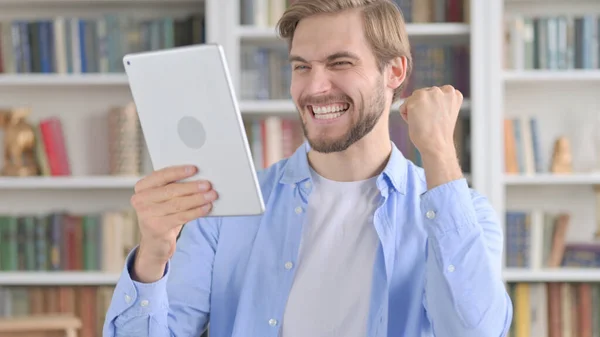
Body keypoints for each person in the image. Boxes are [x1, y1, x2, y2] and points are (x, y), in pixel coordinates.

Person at [103, 0, 513, 336]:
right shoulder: (227, 210)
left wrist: (439, 151)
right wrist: (153, 255)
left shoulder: (464, 216)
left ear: (396, 72)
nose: (315, 88)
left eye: (339, 63)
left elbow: (473, 331)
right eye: (301, 66)